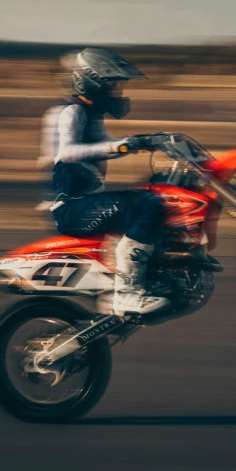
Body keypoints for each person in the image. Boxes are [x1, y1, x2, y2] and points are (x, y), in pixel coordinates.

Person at [37, 48, 169, 316]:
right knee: (146, 205)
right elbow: (68, 152)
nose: (116, 92)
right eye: (112, 85)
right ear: (92, 81)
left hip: (83, 204)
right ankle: (127, 296)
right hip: (74, 208)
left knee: (159, 191)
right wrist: (122, 146)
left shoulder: (91, 114)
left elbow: (100, 148)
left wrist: (145, 141)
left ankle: (134, 283)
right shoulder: (73, 112)